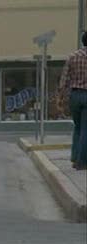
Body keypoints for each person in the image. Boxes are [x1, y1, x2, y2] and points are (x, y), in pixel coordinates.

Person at [58, 31, 87, 170]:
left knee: (78, 127)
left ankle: (75, 157)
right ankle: (81, 162)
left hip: (75, 95)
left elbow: (64, 80)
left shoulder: (72, 57)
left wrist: (61, 98)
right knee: (85, 129)